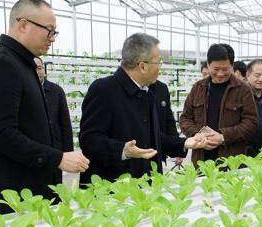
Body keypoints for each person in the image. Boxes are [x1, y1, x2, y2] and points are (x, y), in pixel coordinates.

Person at [0, 0, 89, 208]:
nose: (52, 39)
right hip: (16, 195)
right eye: (49, 30)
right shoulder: (1, 64)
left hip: (33, 188)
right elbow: (1, 133)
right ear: (23, 24)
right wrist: (56, 158)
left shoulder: (21, 64)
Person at [79, 33, 206, 183]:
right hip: (114, 186)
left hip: (149, 182)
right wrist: (123, 150)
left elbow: (152, 137)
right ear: (142, 66)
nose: (160, 67)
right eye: (158, 62)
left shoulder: (155, 90)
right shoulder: (104, 89)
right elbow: (89, 140)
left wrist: (184, 143)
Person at [180, 43, 258, 166]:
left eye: (225, 69)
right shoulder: (198, 88)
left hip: (231, 161)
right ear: (208, 65)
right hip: (201, 159)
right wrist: (197, 135)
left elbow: (251, 122)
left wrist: (223, 137)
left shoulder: (243, 89)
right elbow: (185, 118)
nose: (220, 74)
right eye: (216, 69)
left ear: (232, 65)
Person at [34, 57, 74, 181]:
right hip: (35, 152)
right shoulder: (24, 90)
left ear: (43, 70)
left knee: (55, 186)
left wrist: (68, 153)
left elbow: (65, 124)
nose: (37, 72)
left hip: (55, 151)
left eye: (39, 68)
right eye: (32, 68)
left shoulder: (56, 91)